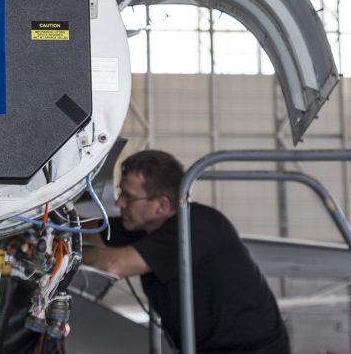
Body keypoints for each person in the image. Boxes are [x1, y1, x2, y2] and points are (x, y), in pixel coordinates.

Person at [82, 150, 289, 353]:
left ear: (162, 205)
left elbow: (113, 265)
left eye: (128, 197)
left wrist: (66, 252)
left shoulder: (193, 226)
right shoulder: (145, 225)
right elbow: (94, 229)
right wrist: (65, 229)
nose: (119, 203)